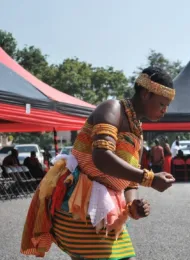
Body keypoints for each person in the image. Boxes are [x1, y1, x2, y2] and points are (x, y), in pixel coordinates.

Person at [20, 66, 176, 260]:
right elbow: (101, 157)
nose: (165, 110)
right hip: (80, 207)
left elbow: (130, 180)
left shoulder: (137, 130)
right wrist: (150, 179)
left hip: (104, 213)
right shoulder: (112, 109)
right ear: (146, 94)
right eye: (162, 103)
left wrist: (132, 205)